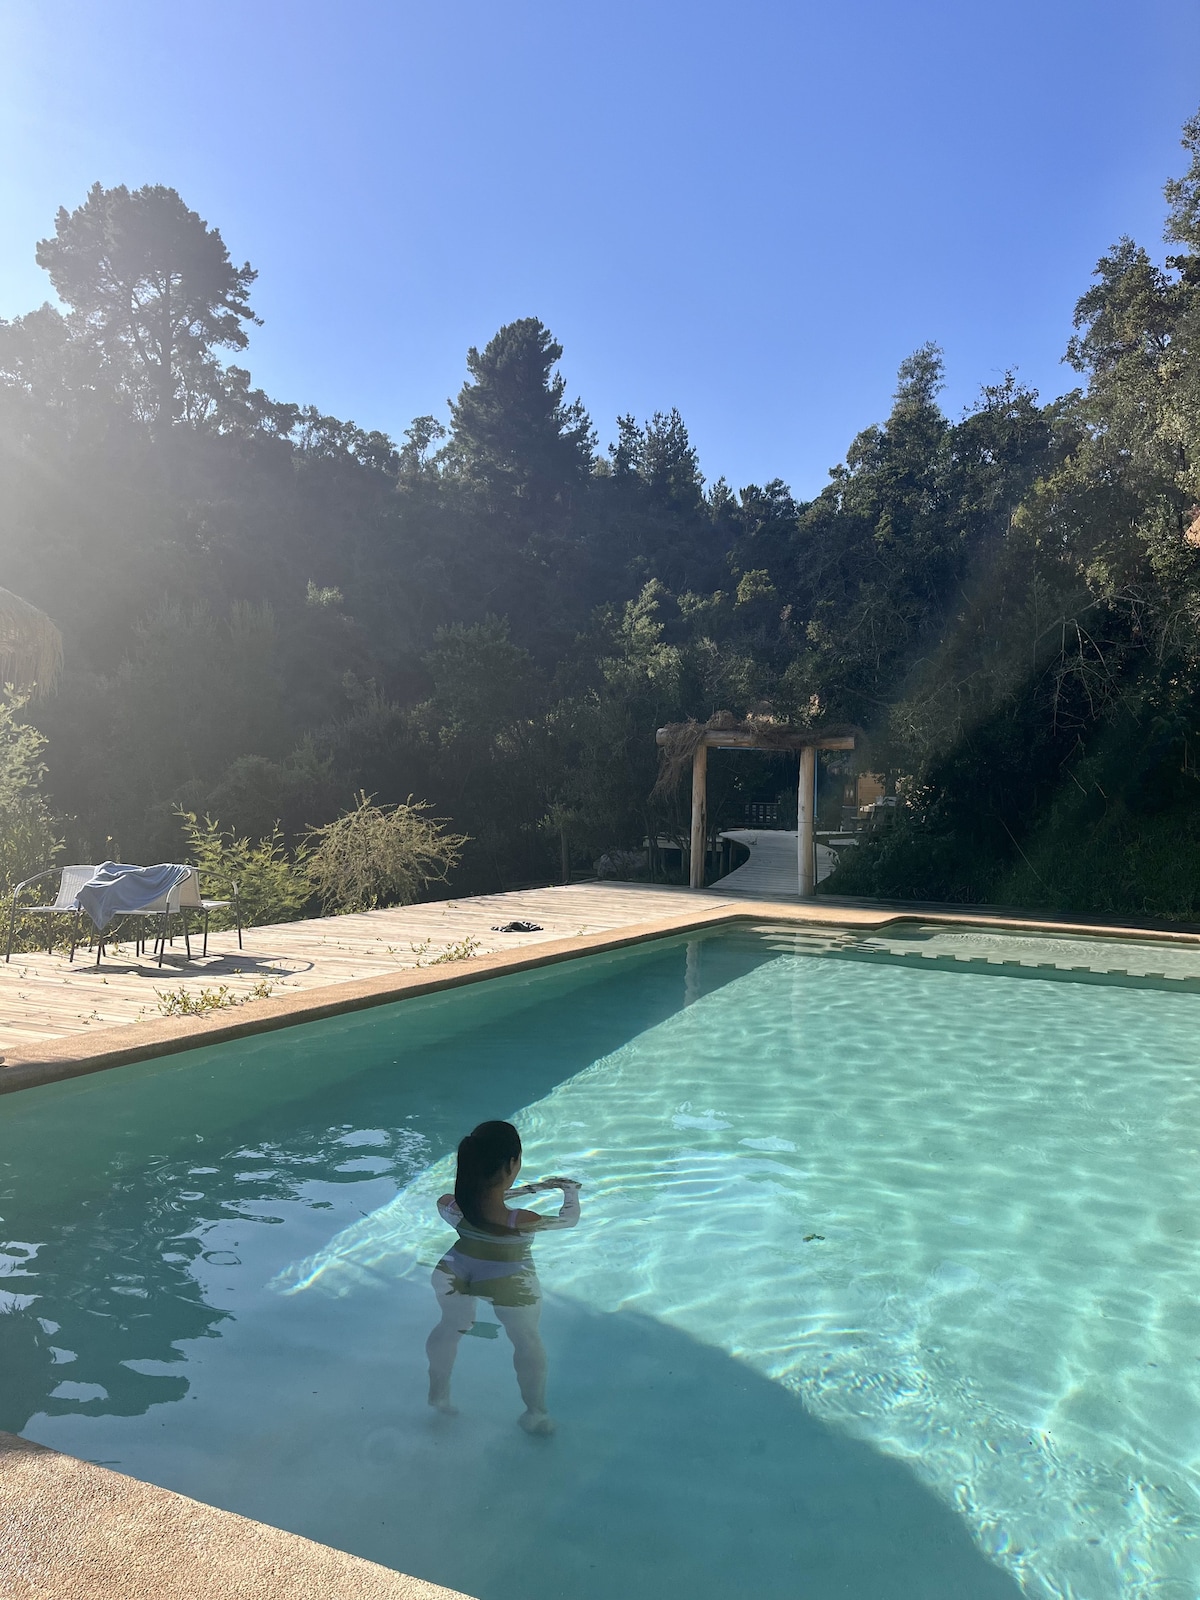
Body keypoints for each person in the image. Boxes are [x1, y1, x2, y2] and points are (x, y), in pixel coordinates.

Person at [426, 1120, 581, 1435]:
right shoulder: (521, 1220)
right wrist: (569, 1190)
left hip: (455, 1269)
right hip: (507, 1279)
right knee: (527, 1341)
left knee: (450, 1327)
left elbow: (482, 1196)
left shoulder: (451, 1205)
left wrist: (531, 1189)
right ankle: (535, 1414)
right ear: (512, 1164)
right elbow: (568, 1220)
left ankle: (438, 1395)